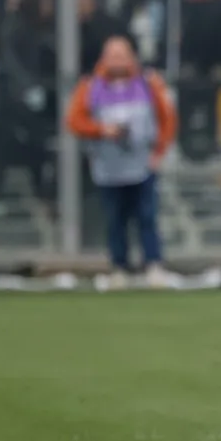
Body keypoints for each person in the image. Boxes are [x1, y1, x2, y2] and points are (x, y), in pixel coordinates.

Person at [65, 37, 178, 289]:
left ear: (131, 57)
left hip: (142, 165)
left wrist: (159, 152)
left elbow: (167, 118)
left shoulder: (149, 84)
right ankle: (119, 267)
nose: (117, 61)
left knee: (147, 216)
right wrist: (102, 130)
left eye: (121, 55)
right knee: (115, 219)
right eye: (112, 56)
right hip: (108, 168)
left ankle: (153, 264)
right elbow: (73, 120)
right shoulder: (90, 87)